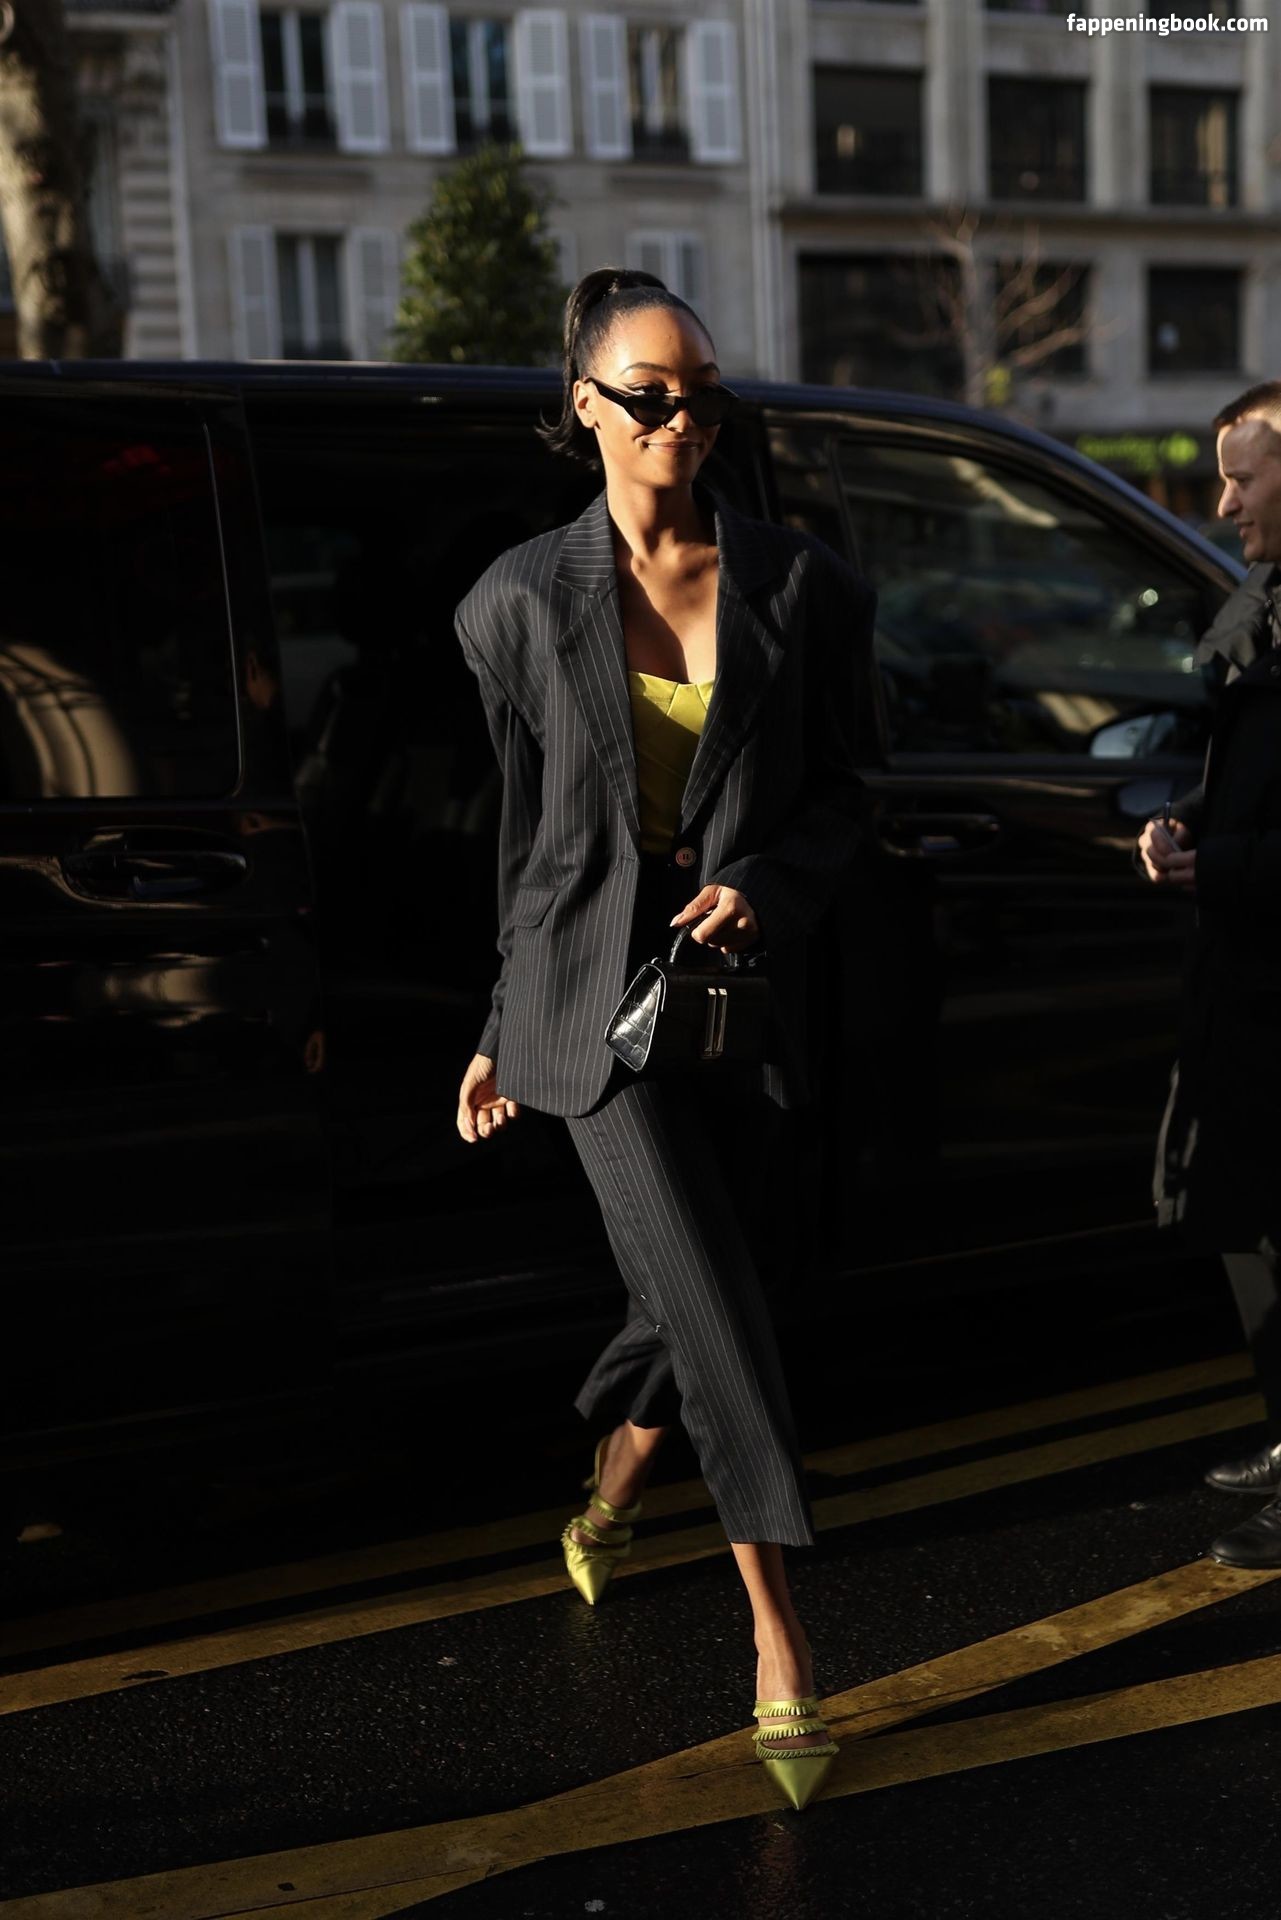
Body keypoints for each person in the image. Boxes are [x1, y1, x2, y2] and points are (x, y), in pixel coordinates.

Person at [453, 266, 876, 1811]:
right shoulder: (513, 603)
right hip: (589, 1014)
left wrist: (767, 882)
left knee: (710, 1276)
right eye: (647, 395)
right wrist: (499, 1024)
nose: (679, 419)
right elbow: (528, 848)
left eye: (700, 392)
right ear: (585, 406)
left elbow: (846, 794)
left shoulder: (801, 587)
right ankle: (780, 1638)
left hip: (737, 1000)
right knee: (714, 1309)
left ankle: (613, 1486)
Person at [1137, 380, 1281, 1569]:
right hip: (1246, 967)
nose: (1223, 503)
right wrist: (1186, 822)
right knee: (1244, 1216)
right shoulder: (1262, 603)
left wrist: (1220, 861)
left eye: (1243, 478)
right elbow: (1247, 769)